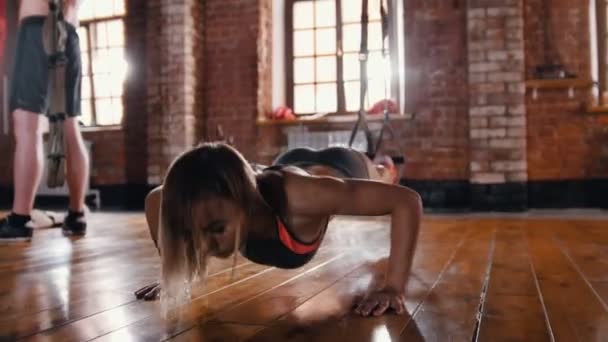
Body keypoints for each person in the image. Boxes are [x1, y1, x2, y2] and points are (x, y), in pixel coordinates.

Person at [135, 143, 422, 317]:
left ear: (247, 202)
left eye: (217, 229)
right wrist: (174, 275)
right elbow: (154, 200)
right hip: (288, 160)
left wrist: (393, 288)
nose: (205, 245)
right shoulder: (217, 203)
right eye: (195, 233)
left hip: (344, 166)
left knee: (382, 179)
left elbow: (406, 201)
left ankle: (384, 168)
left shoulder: (302, 199)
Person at [0, 0, 89, 240]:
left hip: (37, 29)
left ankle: (19, 220)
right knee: (70, 126)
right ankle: (77, 214)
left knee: (28, 128)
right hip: (69, 33)